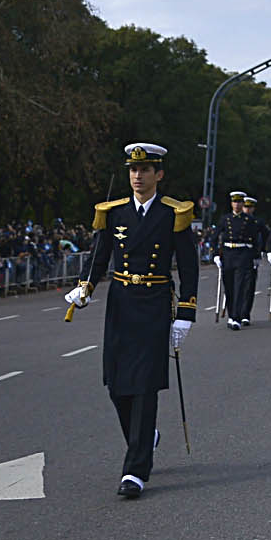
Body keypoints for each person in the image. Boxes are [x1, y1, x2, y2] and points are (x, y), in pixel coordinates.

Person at [63, 142, 199, 499]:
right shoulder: (114, 212)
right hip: (122, 303)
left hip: (155, 304)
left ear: (159, 174)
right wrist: (85, 287)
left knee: (145, 385)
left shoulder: (174, 213)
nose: (137, 176)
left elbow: (187, 266)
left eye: (144, 170)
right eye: (132, 171)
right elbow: (99, 255)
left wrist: (185, 314)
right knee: (116, 384)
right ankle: (145, 438)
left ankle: (135, 470)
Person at [215, 191, 259, 330]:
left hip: (243, 254)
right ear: (231, 203)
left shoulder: (249, 220)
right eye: (235, 202)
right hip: (228, 254)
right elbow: (215, 236)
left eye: (240, 202)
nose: (237, 205)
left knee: (240, 287)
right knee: (229, 287)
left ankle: (236, 317)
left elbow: (255, 239)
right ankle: (231, 314)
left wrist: (255, 256)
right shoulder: (225, 219)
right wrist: (216, 255)